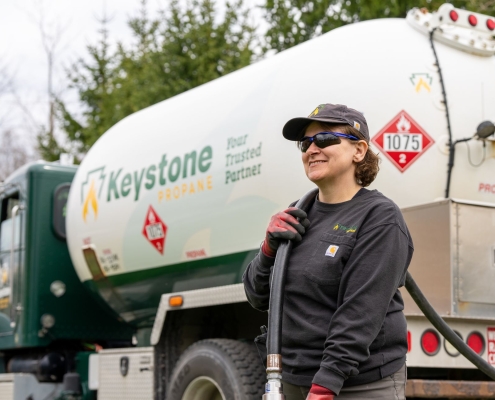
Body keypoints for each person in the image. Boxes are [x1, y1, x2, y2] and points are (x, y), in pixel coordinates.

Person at [243, 104, 414, 400]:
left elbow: (362, 310)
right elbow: (257, 296)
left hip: (358, 384)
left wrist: (325, 385)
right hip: (294, 379)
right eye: (306, 143)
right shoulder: (298, 213)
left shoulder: (380, 217)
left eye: (324, 139)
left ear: (358, 151)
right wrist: (268, 249)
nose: (312, 149)